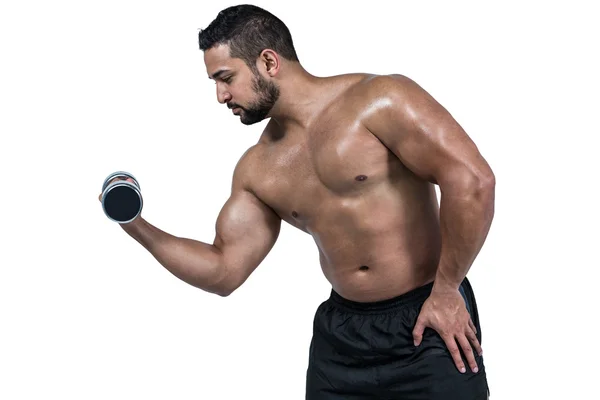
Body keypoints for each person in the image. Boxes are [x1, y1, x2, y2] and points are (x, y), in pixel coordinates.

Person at [101, 4, 495, 399]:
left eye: (226, 78)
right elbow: (224, 271)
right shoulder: (258, 169)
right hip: (342, 340)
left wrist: (447, 290)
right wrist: (134, 224)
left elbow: (472, 181)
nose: (221, 96)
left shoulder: (379, 101)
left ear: (268, 61)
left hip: (428, 319)